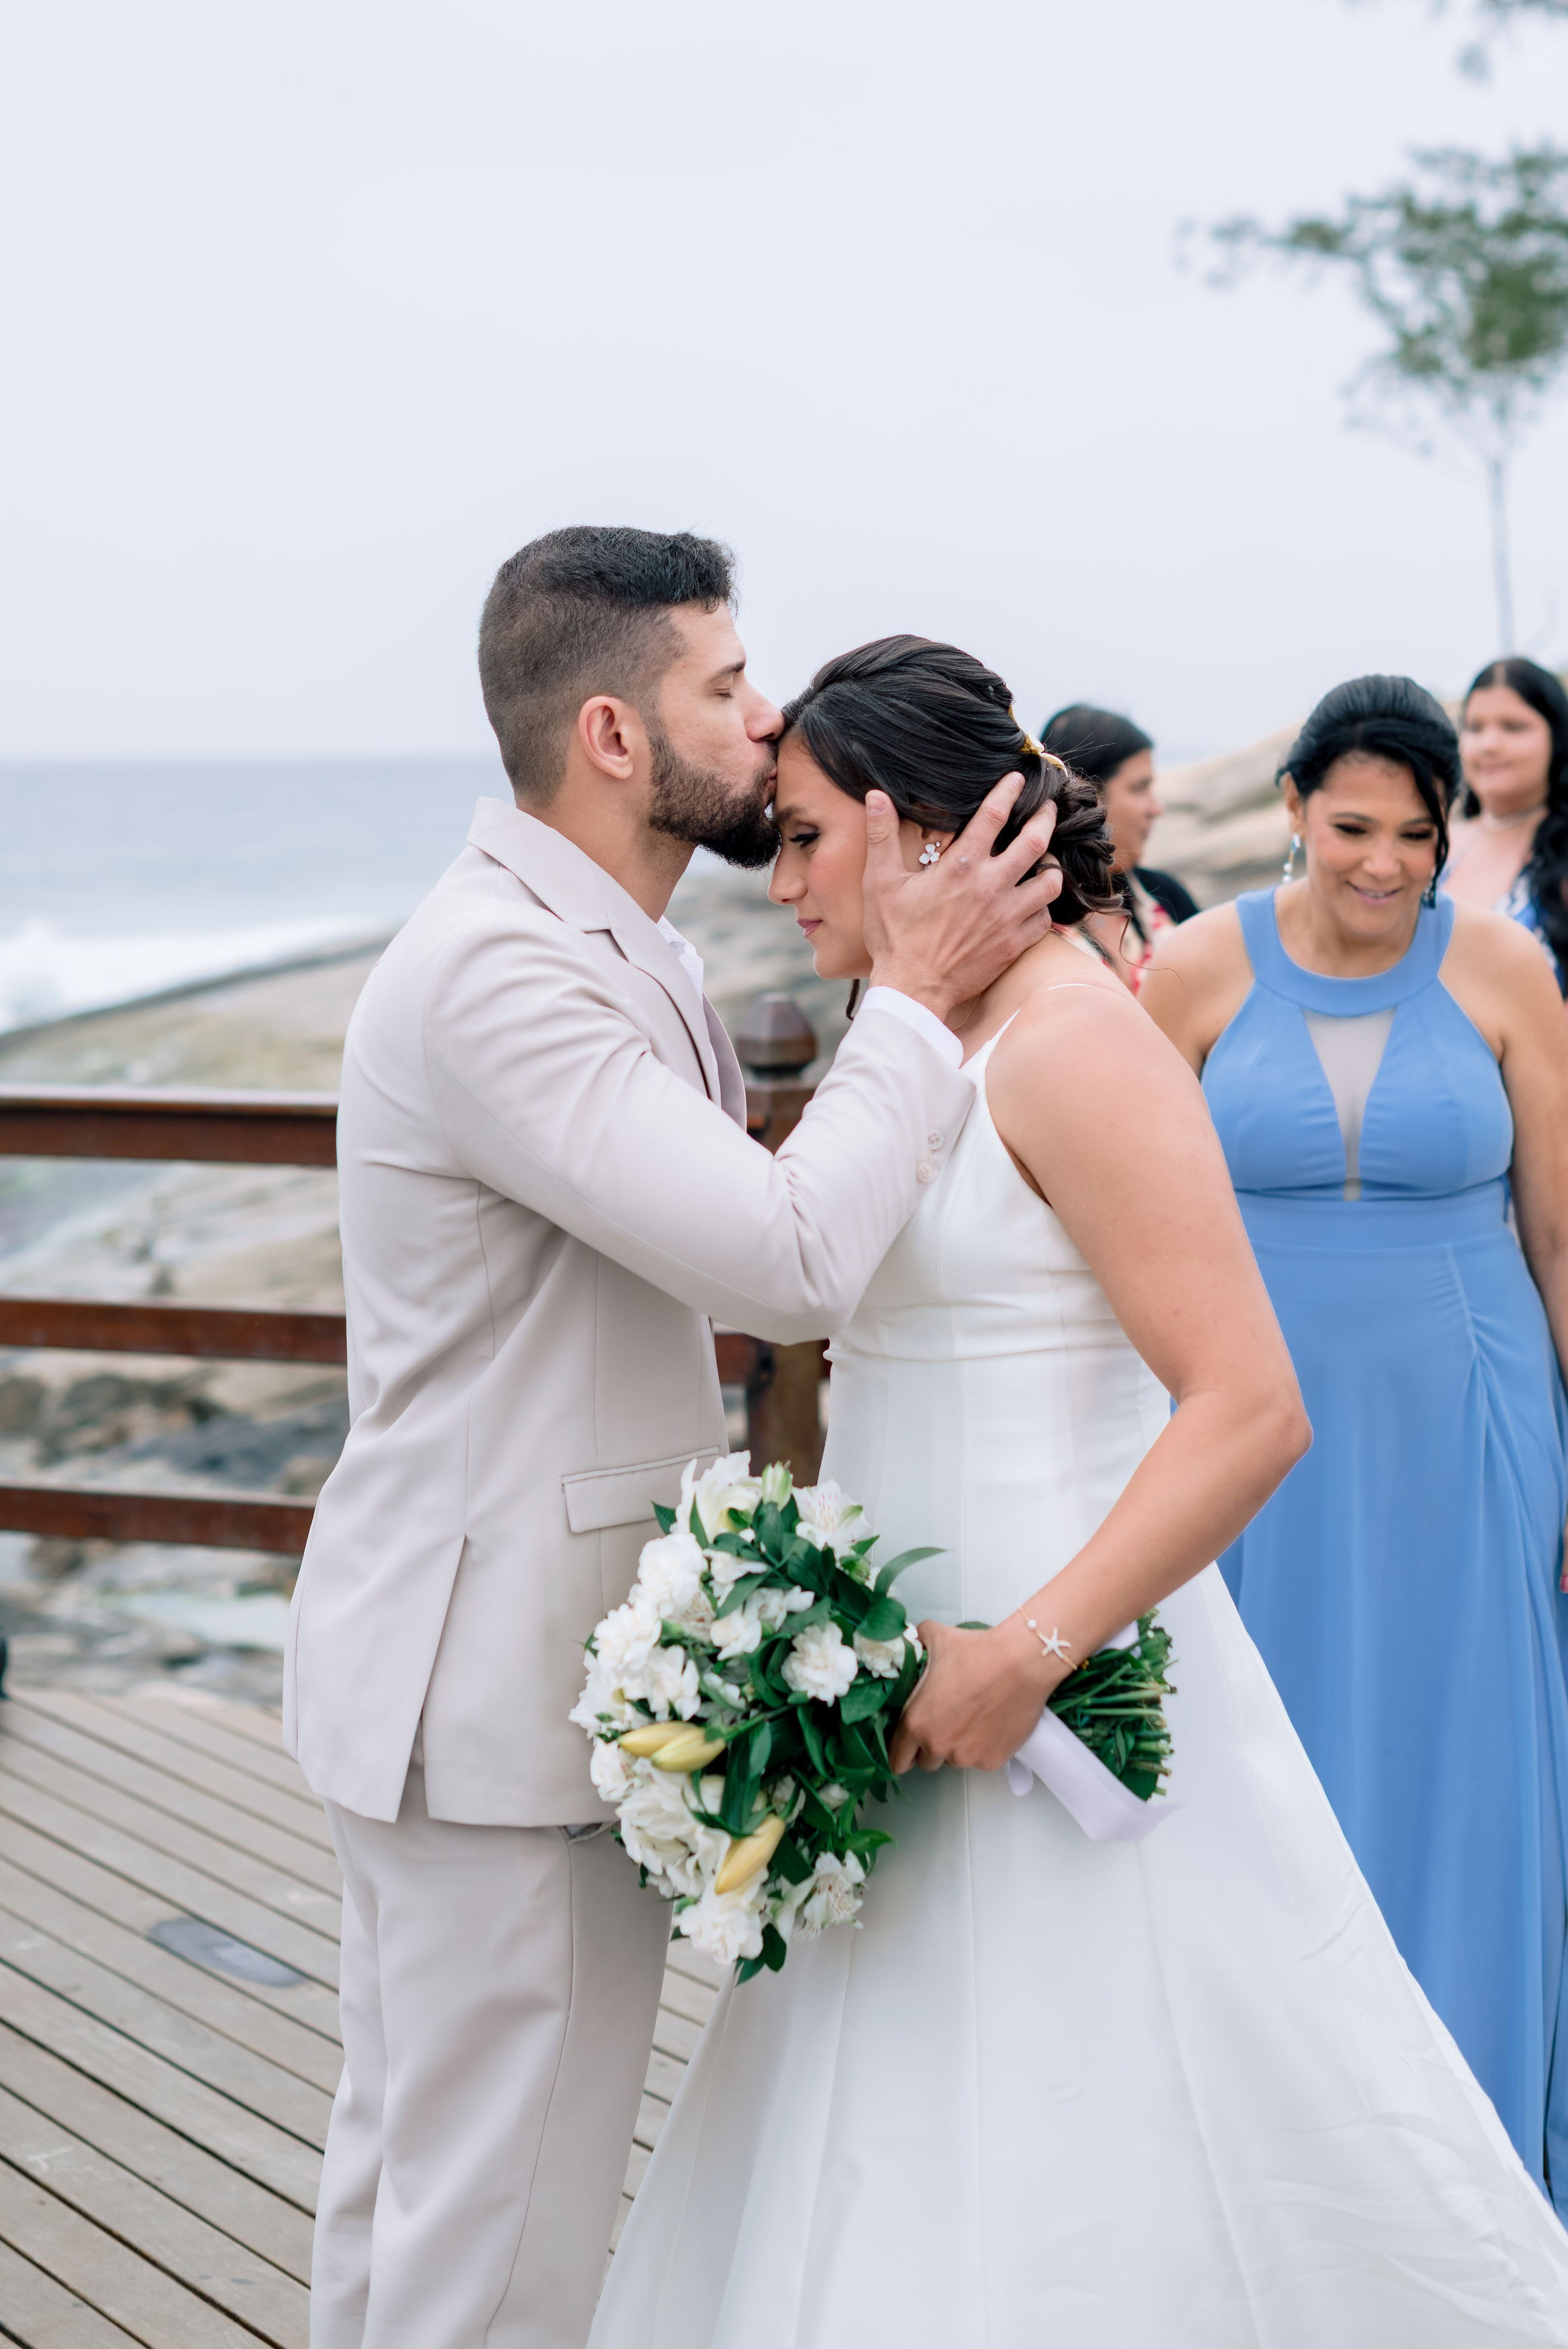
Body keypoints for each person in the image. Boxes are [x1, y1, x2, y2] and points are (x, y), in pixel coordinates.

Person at [591, 639, 1568, 2349]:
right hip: (902, 1705)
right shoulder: (908, 1042)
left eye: (806, 837)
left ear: (922, 833)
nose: (785, 881)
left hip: (1065, 1698)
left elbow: (1249, 1409)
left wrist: (1027, 1655)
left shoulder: (1072, 1047)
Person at [286, 532, 1066, 2349]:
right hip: (490, 1701)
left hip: (467, 1674)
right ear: (617, 736)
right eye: (727, 684)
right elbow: (784, 1261)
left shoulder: (611, 949)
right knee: (493, 2245)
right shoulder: (500, 972)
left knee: (418, 2198)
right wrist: (915, 1001)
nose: (768, 715)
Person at [1142, 673, 1568, 2214]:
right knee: (1267, 1764)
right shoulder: (1193, 969)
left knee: (1470, 1773)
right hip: (1252, 1438)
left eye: (1414, 833)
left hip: (1469, 1422)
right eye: (1351, 828)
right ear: (1293, 813)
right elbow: (1116, 1229)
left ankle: (1472, 2168)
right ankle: (1278, 2167)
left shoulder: (1507, 968)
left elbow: (1560, 1239)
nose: (1384, 863)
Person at [1042, 701, 1198, 990]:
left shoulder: (1166, 895)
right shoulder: (1033, 926)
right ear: (1085, 796)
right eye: (1139, 788)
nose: (1156, 808)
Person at [1447, 656, 1568, 993]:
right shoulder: (1433, 847)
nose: (1489, 745)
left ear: (1557, 737)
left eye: (1513, 727)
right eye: (1475, 728)